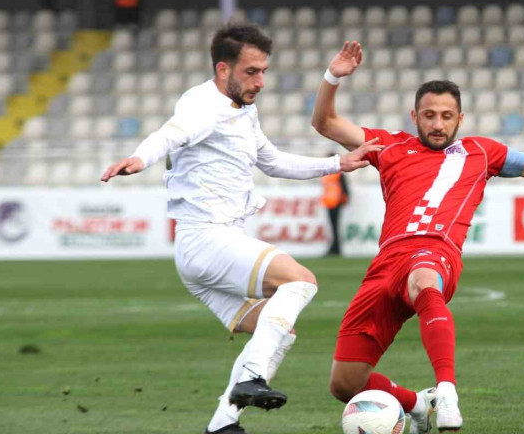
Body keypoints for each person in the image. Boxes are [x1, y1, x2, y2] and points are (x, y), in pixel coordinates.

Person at [311, 41, 524, 433]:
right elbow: (324, 122)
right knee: (345, 383)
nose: (437, 124)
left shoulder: (481, 152)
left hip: (436, 252)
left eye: (446, 116)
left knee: (423, 278)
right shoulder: (388, 145)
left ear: (460, 118)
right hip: (385, 264)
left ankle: (448, 391)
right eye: (429, 116)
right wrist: (333, 76)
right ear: (414, 116)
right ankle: (419, 403)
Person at [100, 24, 381, 434]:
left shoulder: (243, 110)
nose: (261, 81)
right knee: (301, 281)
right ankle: (251, 378)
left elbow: (271, 160)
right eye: (251, 72)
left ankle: (223, 423)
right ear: (222, 69)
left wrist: (337, 163)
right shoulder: (202, 105)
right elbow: (170, 134)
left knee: (279, 329)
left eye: (264, 71)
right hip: (207, 237)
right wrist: (139, 158)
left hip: (202, 251)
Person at [320, 159, 349, 256]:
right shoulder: (329, 174)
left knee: (335, 226)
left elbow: (344, 188)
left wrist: (344, 199)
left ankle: (336, 248)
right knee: (333, 227)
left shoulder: (337, 174)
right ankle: (335, 247)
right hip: (329, 202)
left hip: (336, 202)